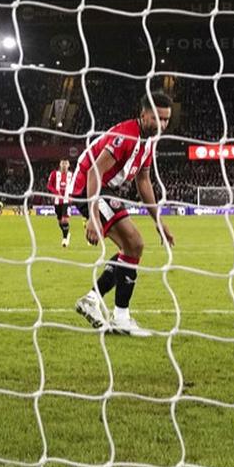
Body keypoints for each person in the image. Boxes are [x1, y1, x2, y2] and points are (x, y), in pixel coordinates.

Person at [68, 91, 174, 337]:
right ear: (143, 114)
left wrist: (159, 221)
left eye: (167, 120)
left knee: (132, 249)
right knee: (135, 243)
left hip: (105, 190)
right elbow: (94, 171)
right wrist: (93, 218)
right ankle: (120, 317)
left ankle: (93, 300)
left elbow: (144, 181)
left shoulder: (149, 141)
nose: (162, 125)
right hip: (88, 188)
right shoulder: (125, 135)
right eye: (157, 118)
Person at [46, 159, 74, 247]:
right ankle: (67, 233)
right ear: (60, 164)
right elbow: (49, 185)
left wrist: (72, 195)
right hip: (57, 201)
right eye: (63, 163)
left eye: (66, 163)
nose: (64, 165)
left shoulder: (72, 175)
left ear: (68, 165)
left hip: (67, 200)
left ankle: (65, 239)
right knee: (59, 221)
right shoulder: (54, 174)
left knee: (65, 220)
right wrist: (55, 192)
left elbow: (76, 185)